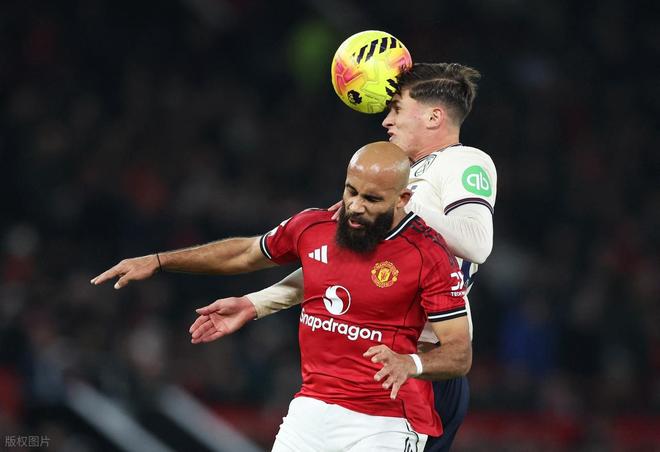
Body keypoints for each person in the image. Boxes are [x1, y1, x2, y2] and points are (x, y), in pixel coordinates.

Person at [92, 142, 472, 451]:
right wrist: (160, 261)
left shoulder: (429, 255)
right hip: (311, 410)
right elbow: (245, 253)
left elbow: (460, 352)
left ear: (402, 198)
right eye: (351, 192)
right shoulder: (314, 227)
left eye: (372, 199)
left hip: (385, 421)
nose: (355, 207)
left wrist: (411, 363)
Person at [200, 62, 497, 451]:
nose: (386, 121)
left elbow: (478, 242)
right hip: (373, 363)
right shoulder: (400, 176)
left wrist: (399, 206)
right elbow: (334, 271)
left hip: (424, 367)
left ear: (433, 117)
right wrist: (257, 303)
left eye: (397, 109)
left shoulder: (464, 161)